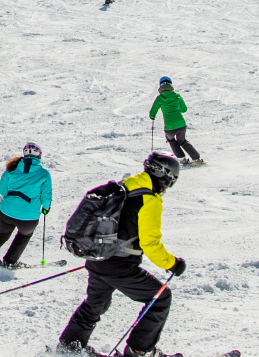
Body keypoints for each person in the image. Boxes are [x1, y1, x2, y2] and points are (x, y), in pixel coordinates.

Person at [56, 152, 184, 357]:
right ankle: (139, 351)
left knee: (96, 304)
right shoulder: (148, 198)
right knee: (160, 297)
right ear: (167, 176)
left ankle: (69, 348)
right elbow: (150, 244)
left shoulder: (124, 187)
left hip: (98, 258)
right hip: (119, 265)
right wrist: (172, 264)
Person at [0, 143, 53, 269]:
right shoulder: (44, 173)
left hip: (6, 212)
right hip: (29, 217)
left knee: (0, 235)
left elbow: (2, 190)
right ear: (39, 156)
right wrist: (46, 208)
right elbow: (46, 195)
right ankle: (9, 262)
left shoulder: (12, 167)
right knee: (24, 236)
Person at [150, 77, 201, 164]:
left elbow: (152, 112)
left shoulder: (160, 98)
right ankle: (196, 159)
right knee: (182, 140)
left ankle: (182, 159)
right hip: (181, 125)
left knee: (171, 140)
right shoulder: (177, 96)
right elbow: (184, 109)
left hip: (170, 127)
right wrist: (177, 110)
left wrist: (152, 116)